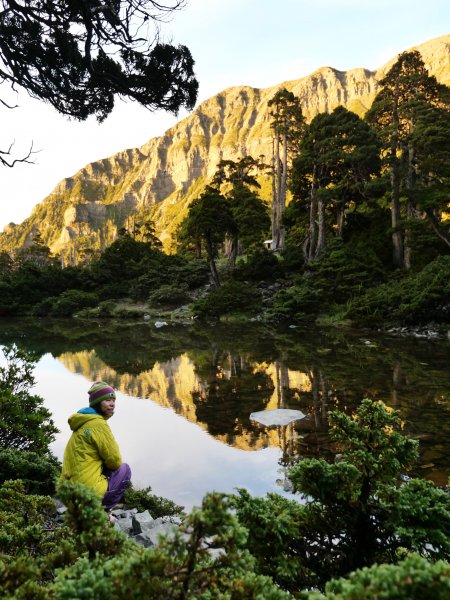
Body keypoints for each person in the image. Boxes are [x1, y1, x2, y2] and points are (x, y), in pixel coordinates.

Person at [61, 381, 131, 510]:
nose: (112, 404)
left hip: (68, 494)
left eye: (113, 400)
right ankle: (104, 510)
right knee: (124, 469)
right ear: (97, 403)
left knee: (100, 462)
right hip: (86, 495)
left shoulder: (83, 422)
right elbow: (115, 462)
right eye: (107, 400)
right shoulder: (98, 424)